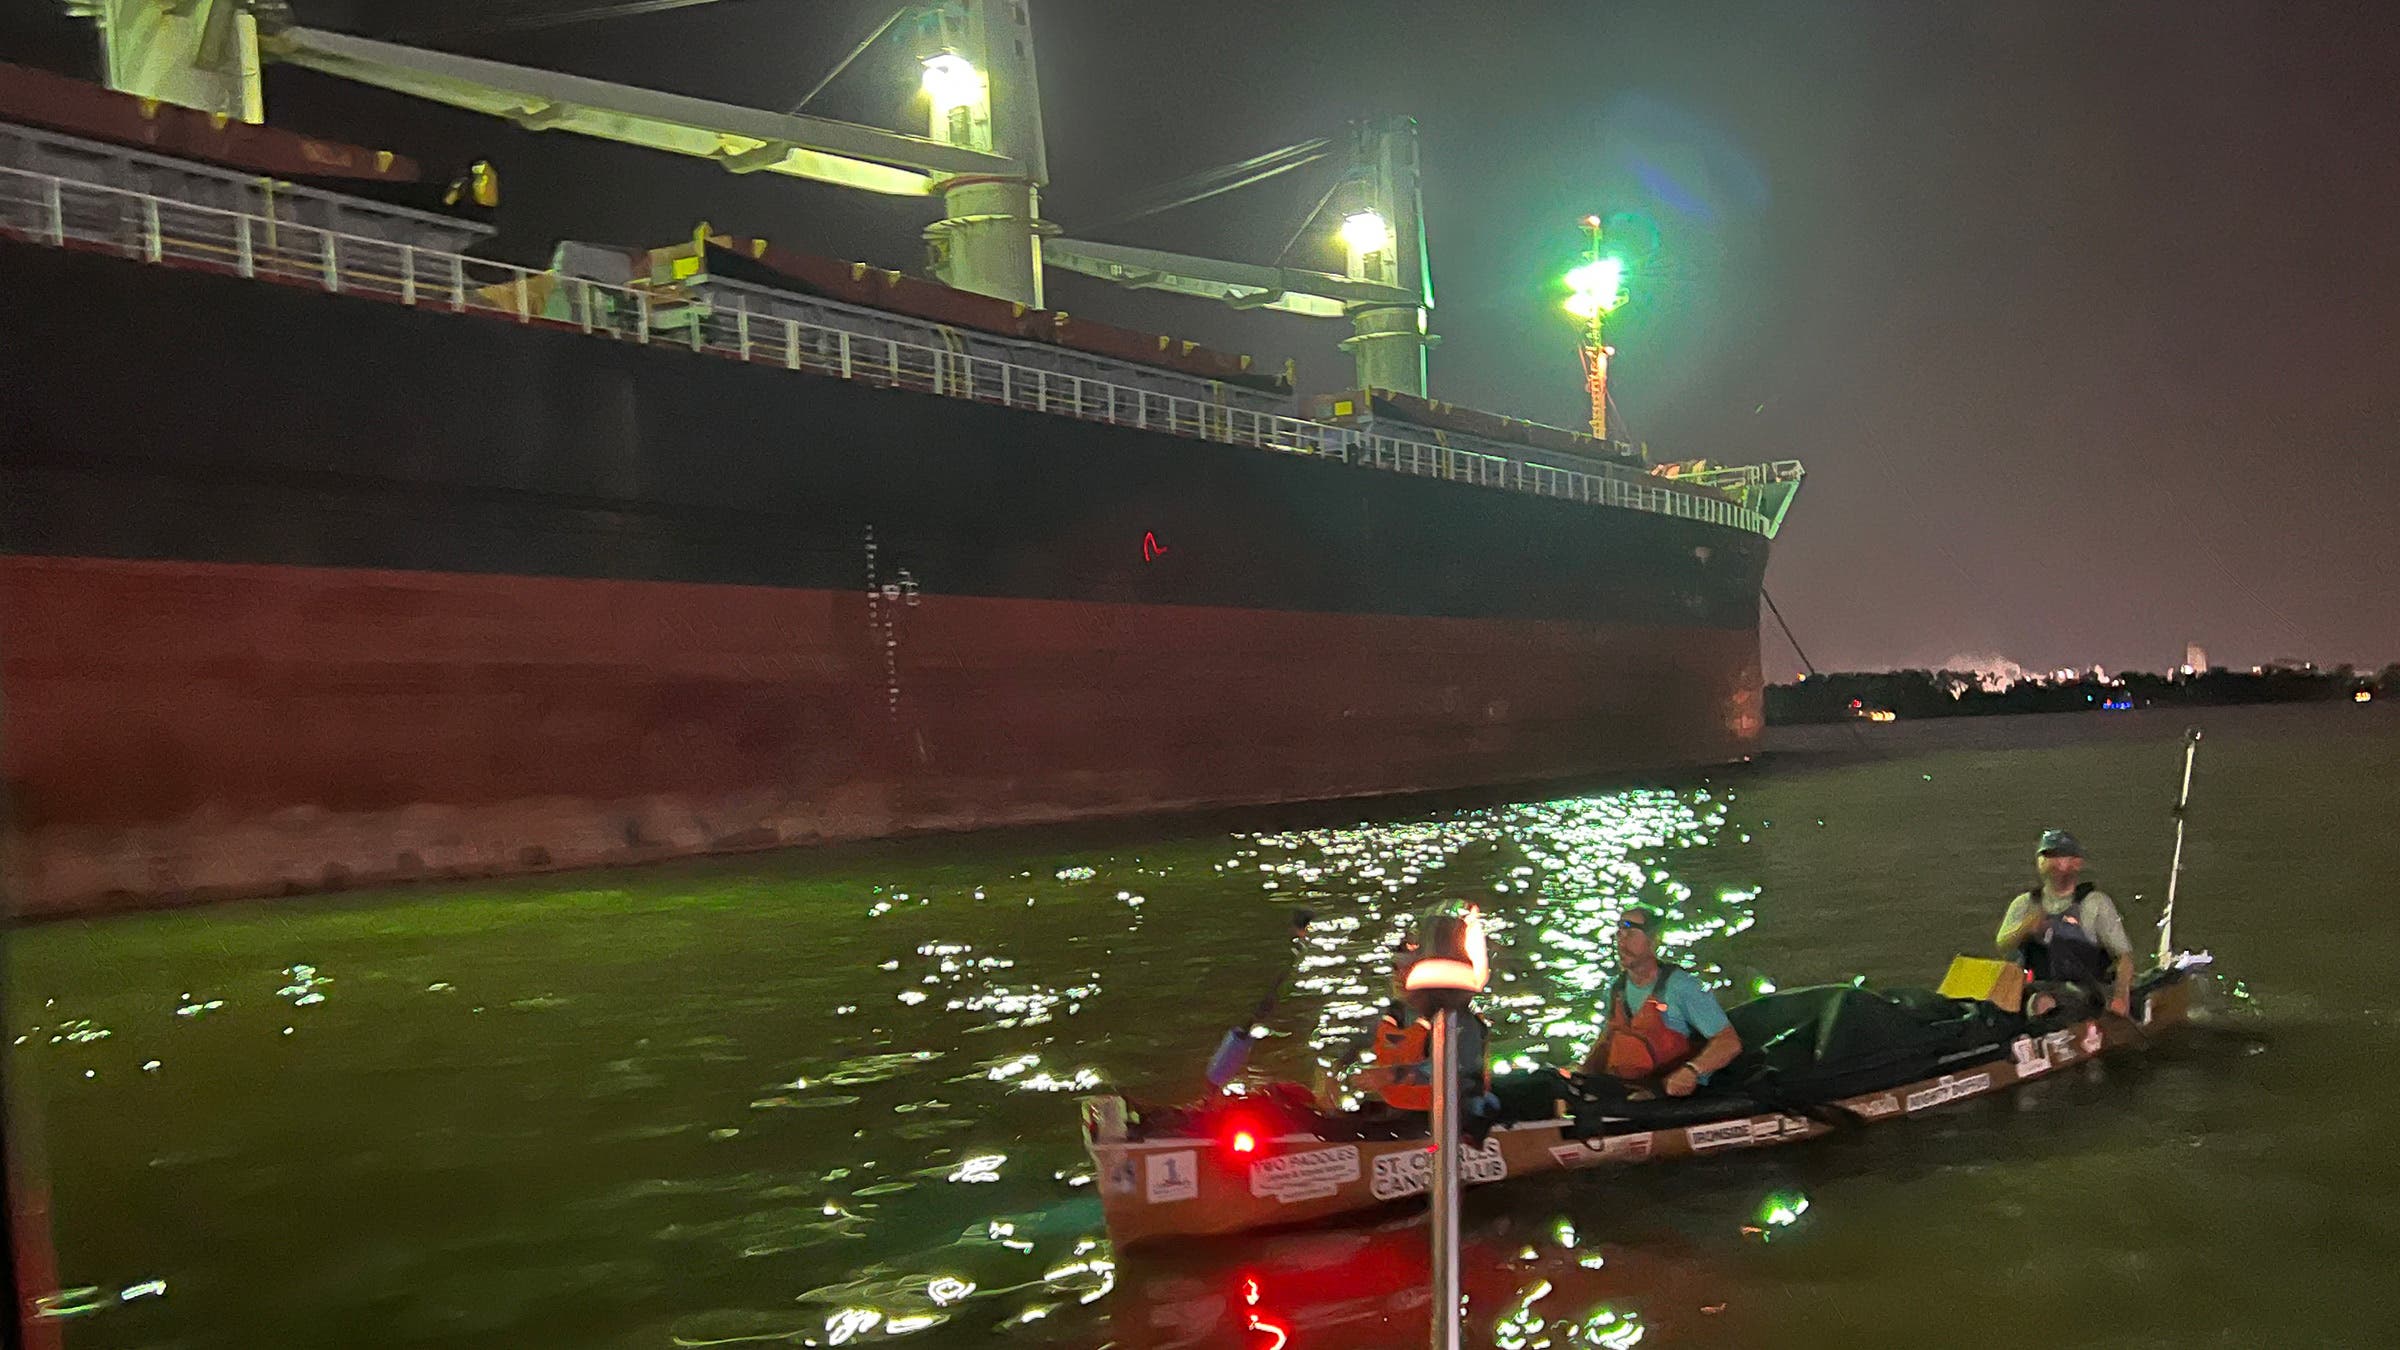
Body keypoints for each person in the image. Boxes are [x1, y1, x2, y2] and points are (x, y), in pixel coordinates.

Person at [1578, 907, 1741, 1097]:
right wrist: (1581, 1074)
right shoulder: (1617, 988)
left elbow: (1729, 1043)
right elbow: (1608, 1039)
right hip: (1624, 1088)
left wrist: (1692, 1071)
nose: (1621, 942)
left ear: (1654, 940)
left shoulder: (1681, 986)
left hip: (1662, 1094)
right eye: (1619, 934)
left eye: (1630, 933)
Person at [1328, 933, 1490, 1113]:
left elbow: (1462, 1069)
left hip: (1451, 1117)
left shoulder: (1457, 1015)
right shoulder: (1392, 1014)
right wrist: (1334, 1073)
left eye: (1408, 968)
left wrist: (1392, 1075)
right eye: (1395, 967)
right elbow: (1353, 1048)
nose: (1398, 975)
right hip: (1399, 1113)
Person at [1996, 829, 2134, 1017]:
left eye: (2057, 855)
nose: (2049, 860)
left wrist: (2121, 997)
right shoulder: (2024, 903)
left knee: (2041, 1003)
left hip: (2085, 991)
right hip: (2036, 986)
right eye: (2045, 855)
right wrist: (2026, 928)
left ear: (2076, 863)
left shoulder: (2095, 903)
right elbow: (2002, 945)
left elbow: (2123, 957)